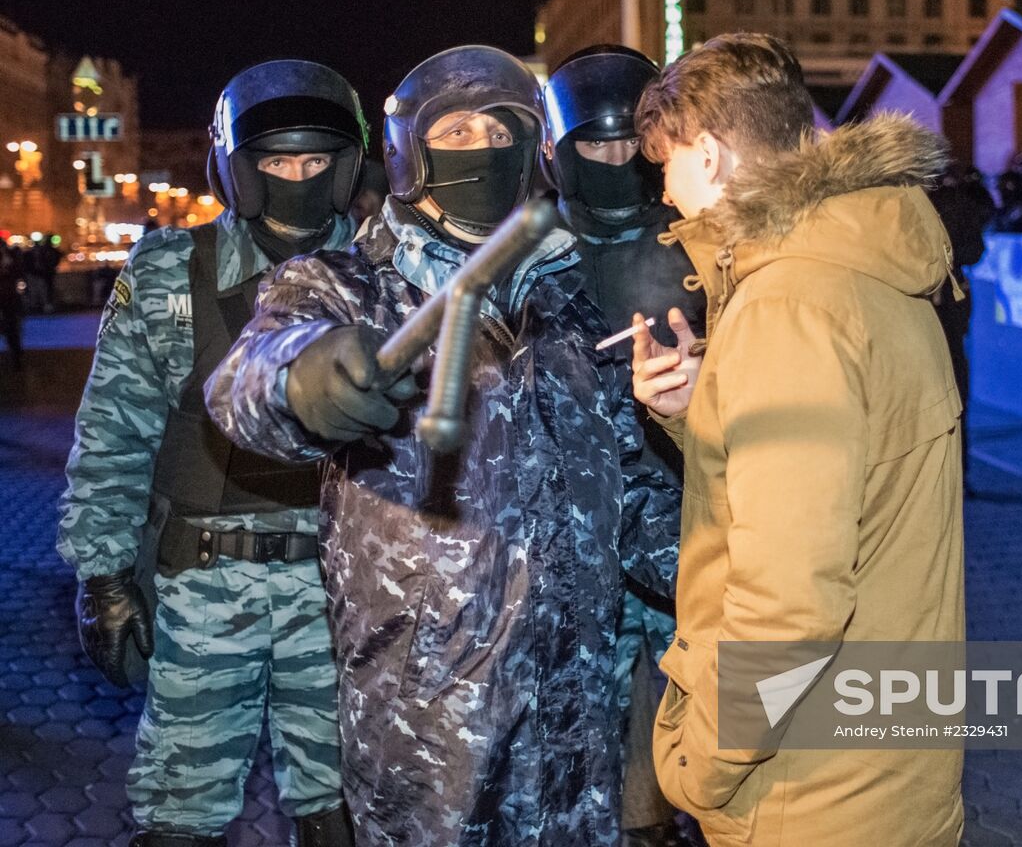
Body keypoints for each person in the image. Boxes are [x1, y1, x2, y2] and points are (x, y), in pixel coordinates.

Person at [205, 45, 679, 846]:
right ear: (409, 154)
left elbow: (631, 490)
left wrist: (733, 567)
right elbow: (245, 385)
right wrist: (305, 379)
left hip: (575, 726)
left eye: (504, 129)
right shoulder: (346, 284)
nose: (483, 147)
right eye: (456, 130)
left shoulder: (568, 302)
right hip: (431, 737)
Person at [630, 33, 966, 845]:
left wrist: (703, 763)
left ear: (708, 155)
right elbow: (840, 482)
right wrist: (698, 408)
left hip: (808, 792)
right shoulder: (856, 263)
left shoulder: (787, 307)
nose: (666, 196)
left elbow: (790, 603)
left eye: (665, 165)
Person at [58, 60, 367, 845]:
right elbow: (115, 427)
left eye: (315, 160)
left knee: (342, 811)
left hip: (339, 591)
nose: (297, 176)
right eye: (274, 161)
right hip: (200, 588)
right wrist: (100, 573)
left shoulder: (382, 270)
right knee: (180, 814)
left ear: (347, 165)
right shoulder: (172, 269)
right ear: (237, 169)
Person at [543, 44, 706, 847]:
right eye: (592, 144)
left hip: (691, 542)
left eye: (625, 142)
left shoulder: (702, 241)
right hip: (581, 558)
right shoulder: (529, 254)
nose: (613, 160)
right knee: (604, 791)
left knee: (714, 765)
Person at [928, 162, 994, 474]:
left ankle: (957, 468)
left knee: (953, 381)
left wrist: (945, 262)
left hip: (947, 303)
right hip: (932, 302)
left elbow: (975, 248)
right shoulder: (908, 201)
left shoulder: (953, 202)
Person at [24, 232, 62, 311]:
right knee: (43, 290)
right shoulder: (47, 251)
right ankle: (42, 304)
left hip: (40, 274)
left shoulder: (41, 252)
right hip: (41, 274)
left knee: (41, 290)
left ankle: (39, 305)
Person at [0, 239, 24, 367]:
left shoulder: (10, 257)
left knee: (11, 326)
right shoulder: (10, 256)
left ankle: (16, 355)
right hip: (9, 295)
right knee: (12, 326)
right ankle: (16, 354)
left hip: (8, 295)